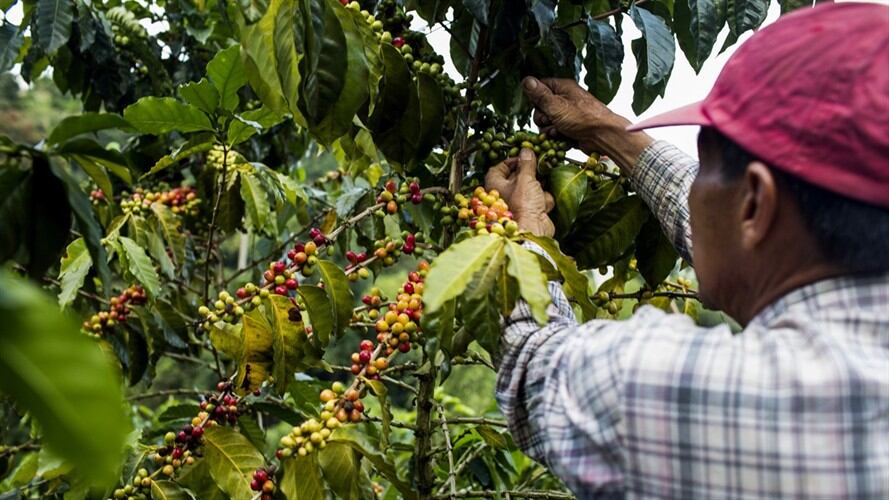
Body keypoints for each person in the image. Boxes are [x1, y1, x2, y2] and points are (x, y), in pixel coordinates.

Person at [485, 2, 889, 498]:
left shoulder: (729, 398)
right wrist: (613, 134)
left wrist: (523, 238)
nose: (698, 190)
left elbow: (536, 369)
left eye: (707, 167)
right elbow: (743, 229)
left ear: (756, 204)